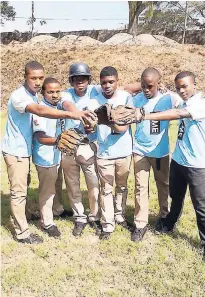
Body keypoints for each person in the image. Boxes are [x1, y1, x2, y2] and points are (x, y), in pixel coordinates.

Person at [1, 61, 95, 244]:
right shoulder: (20, 97)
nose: (37, 82)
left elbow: (60, 103)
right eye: (33, 78)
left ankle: (41, 214)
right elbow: (39, 112)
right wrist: (71, 116)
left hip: (26, 150)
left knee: (32, 188)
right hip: (16, 151)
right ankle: (23, 233)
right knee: (19, 192)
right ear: (25, 77)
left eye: (40, 78)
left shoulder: (34, 96)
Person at [137, 71, 205, 260]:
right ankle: (168, 224)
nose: (181, 90)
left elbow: (176, 114)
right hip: (179, 160)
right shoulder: (183, 101)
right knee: (176, 197)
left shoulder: (200, 104)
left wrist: (145, 116)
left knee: (201, 206)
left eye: (185, 86)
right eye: (178, 87)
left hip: (198, 164)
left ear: (194, 84)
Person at [129, 67, 180, 242]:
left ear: (159, 83)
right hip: (139, 151)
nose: (146, 90)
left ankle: (164, 216)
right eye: (143, 85)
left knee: (163, 185)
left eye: (150, 86)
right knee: (140, 187)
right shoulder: (136, 100)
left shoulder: (170, 99)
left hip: (160, 152)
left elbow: (187, 105)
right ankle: (140, 224)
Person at [87, 66, 133, 240]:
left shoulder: (126, 97)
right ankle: (107, 225)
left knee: (121, 186)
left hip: (124, 151)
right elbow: (90, 127)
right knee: (106, 189)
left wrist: (109, 121)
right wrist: (89, 126)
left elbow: (124, 127)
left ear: (117, 82)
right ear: (100, 83)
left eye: (111, 82)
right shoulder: (93, 101)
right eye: (104, 82)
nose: (107, 85)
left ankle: (119, 215)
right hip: (104, 152)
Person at [59, 62, 101, 237]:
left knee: (93, 184)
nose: (80, 81)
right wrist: (79, 114)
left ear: (88, 79)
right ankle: (79, 217)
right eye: (75, 78)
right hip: (69, 145)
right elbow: (67, 105)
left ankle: (95, 216)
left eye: (83, 78)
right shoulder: (66, 94)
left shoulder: (94, 92)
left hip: (87, 144)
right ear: (71, 80)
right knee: (72, 184)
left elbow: (120, 86)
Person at [32, 77, 64, 238]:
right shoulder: (40, 110)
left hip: (55, 156)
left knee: (55, 187)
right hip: (45, 158)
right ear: (43, 92)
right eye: (50, 92)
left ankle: (56, 210)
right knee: (47, 191)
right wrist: (59, 140)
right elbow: (40, 137)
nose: (55, 95)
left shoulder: (56, 107)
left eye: (58, 91)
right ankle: (47, 223)